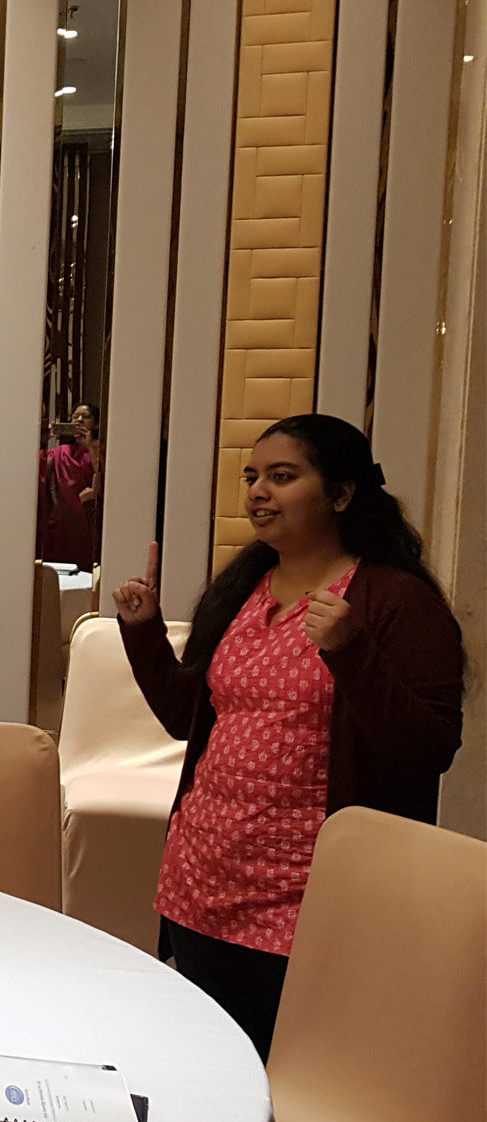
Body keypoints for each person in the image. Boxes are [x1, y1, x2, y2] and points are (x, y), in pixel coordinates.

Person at [113, 414, 464, 1061]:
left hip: (308, 895)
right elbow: (190, 718)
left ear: (341, 494)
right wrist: (144, 633)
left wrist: (351, 651)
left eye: (281, 476)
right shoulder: (244, 587)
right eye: (252, 477)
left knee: (293, 1075)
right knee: (207, 1066)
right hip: (202, 877)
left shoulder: (395, 601)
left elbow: (428, 748)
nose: (257, 492)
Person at [37, 403, 100, 570]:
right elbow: (37, 473)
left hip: (88, 524)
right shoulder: (60, 452)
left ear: (97, 424)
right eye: (75, 417)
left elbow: (106, 480)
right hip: (60, 527)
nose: (79, 420)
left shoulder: (101, 450)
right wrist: (45, 438)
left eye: (86, 417)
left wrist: (91, 446)